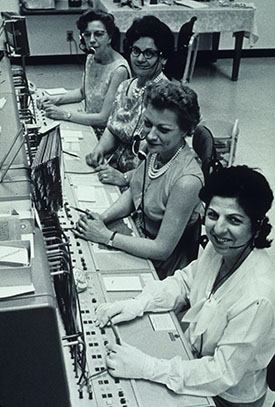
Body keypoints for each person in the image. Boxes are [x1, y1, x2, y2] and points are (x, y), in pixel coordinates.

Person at [95, 165, 275, 407]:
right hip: (191, 363)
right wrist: (139, 303)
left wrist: (148, 367)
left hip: (226, 396)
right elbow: (186, 281)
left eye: (234, 220)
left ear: (256, 225)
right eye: (212, 215)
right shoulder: (222, 248)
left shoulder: (258, 295)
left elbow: (222, 372)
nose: (218, 229)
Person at [75, 79, 203, 279]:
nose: (151, 136)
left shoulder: (187, 181)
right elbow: (135, 191)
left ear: (185, 131)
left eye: (164, 129)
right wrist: (103, 218)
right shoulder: (156, 150)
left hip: (161, 267)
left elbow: (162, 249)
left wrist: (106, 236)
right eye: (147, 124)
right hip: (136, 236)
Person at [85, 15, 175, 188]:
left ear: (163, 58)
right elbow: (113, 128)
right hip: (114, 171)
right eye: (136, 51)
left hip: (143, 184)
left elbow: (164, 163)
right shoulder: (126, 85)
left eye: (149, 53)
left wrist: (125, 178)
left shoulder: (168, 98)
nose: (140, 59)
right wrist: (99, 150)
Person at [37, 9, 130, 138]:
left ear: (110, 37)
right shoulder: (91, 57)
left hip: (106, 136)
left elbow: (104, 119)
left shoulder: (119, 70)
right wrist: (55, 100)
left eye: (98, 34)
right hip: (89, 122)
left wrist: (64, 115)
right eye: (87, 35)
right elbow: (83, 92)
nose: (92, 40)